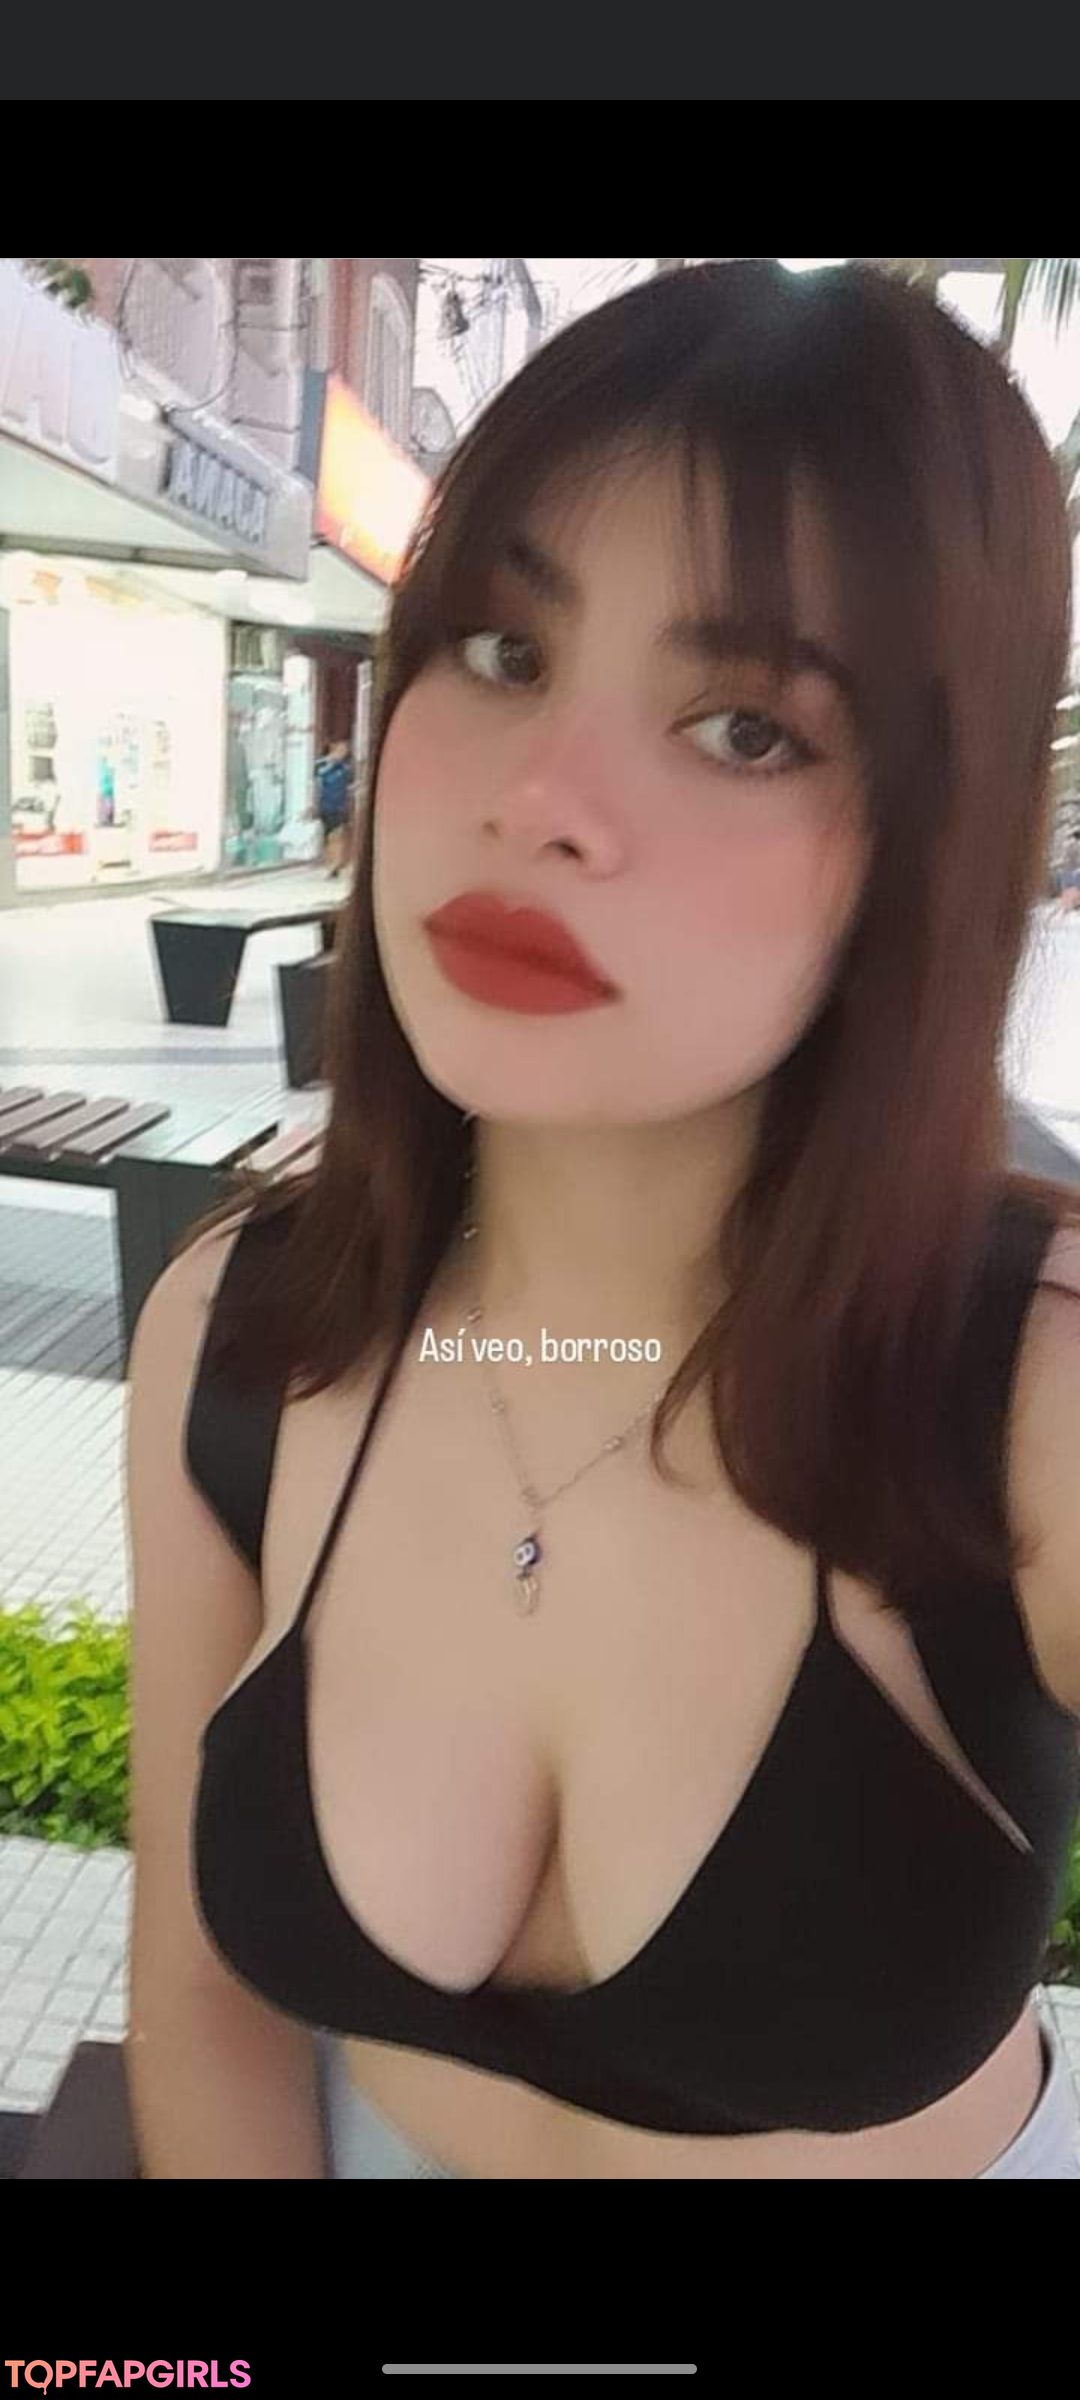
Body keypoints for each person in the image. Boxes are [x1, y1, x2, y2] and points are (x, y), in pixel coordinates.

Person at [125, 261, 1080, 2181]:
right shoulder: (246, 1325)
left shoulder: (1030, 1376)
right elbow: (203, 1993)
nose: (546, 800)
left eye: (748, 730)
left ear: (930, 843)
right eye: (502, 649)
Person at [313, 737, 353, 879]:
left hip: (340, 806)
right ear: (333, 749)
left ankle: (335, 866)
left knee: (338, 835)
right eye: (341, 750)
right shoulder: (321, 765)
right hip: (326, 806)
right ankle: (330, 863)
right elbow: (316, 784)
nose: (343, 753)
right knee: (328, 837)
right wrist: (313, 806)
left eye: (345, 751)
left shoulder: (346, 768)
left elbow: (350, 787)